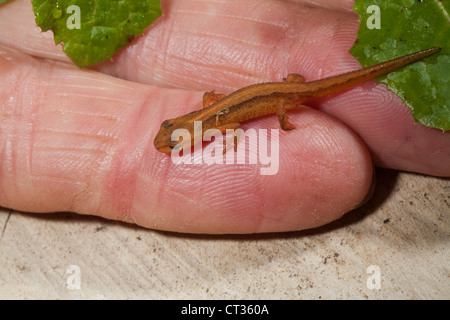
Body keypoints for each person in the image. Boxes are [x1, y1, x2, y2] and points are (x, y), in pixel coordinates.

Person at [0, 0, 448, 233]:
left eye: (173, 140)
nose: (175, 141)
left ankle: (420, 51)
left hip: (285, 98)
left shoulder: (213, 122)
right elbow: (217, 101)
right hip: (283, 89)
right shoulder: (203, 116)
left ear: (184, 131)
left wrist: (282, 120)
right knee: (291, 90)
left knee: (296, 98)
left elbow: (231, 118)